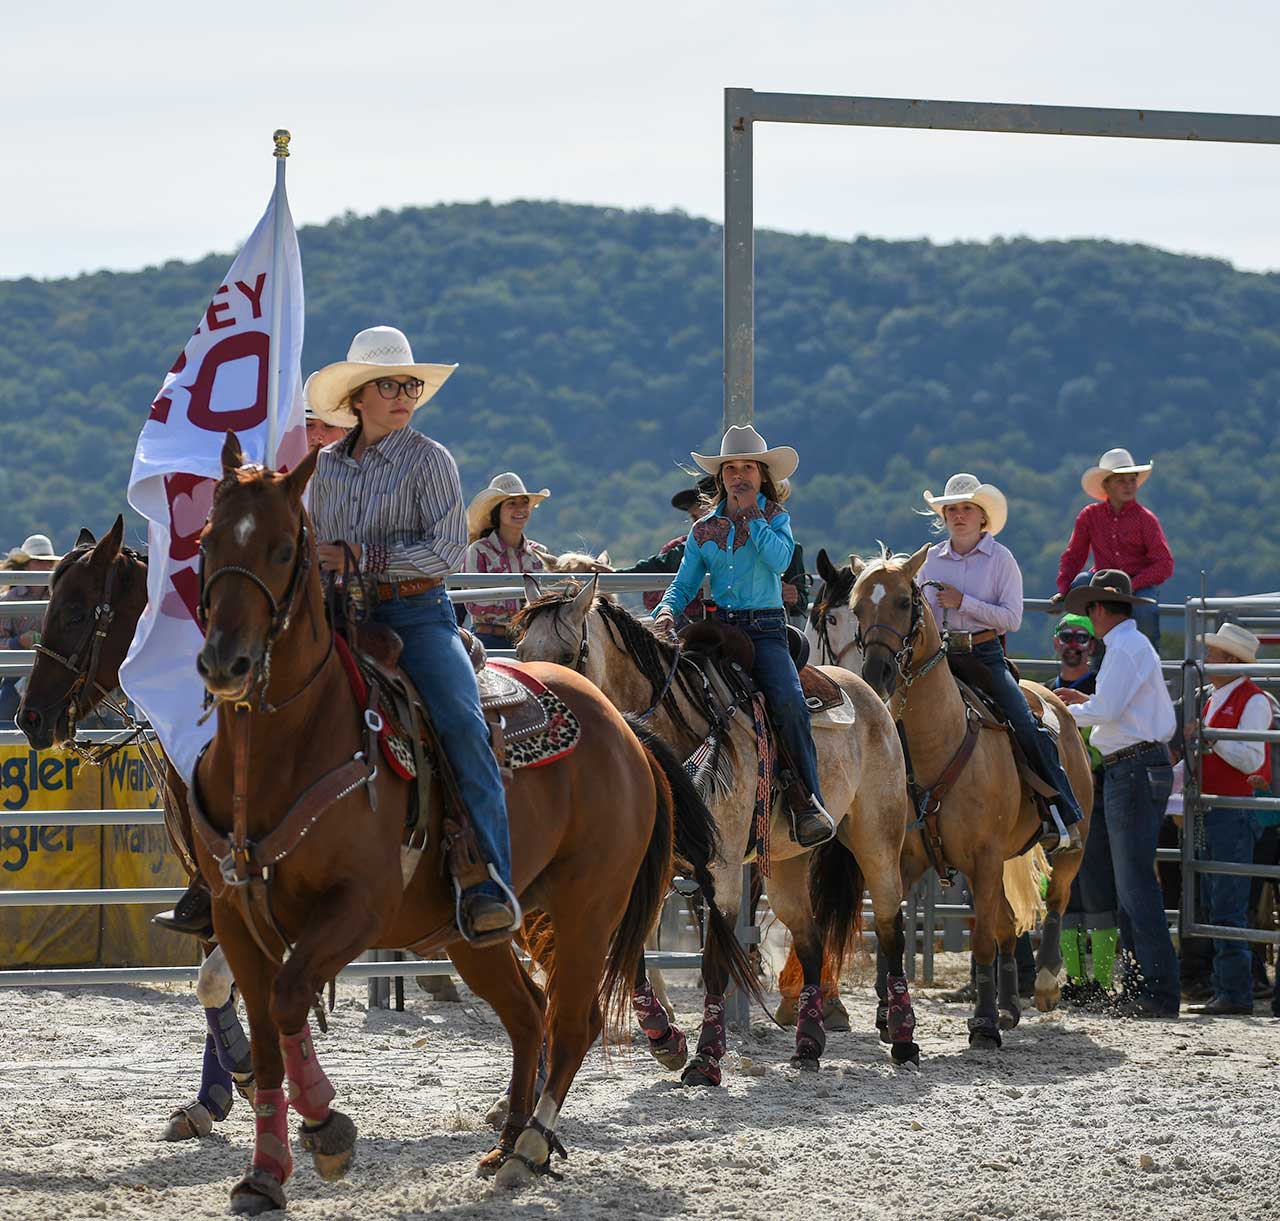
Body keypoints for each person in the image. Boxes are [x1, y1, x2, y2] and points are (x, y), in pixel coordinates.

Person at [307, 325, 518, 941]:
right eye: (390, 386)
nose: (404, 396)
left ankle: (490, 879)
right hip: (340, 615)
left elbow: (447, 551)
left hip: (417, 614)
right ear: (358, 398)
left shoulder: (430, 460)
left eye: (410, 386)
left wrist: (361, 557)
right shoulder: (323, 469)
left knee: (462, 724)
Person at [652, 425, 833, 848]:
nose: (739, 475)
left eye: (747, 467)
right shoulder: (703, 530)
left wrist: (752, 515)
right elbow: (684, 583)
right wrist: (666, 611)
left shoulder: (776, 518)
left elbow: (780, 561)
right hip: (720, 631)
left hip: (767, 631)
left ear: (761, 475)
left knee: (788, 701)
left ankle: (808, 801)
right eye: (731, 468)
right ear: (721, 477)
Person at [919, 473, 1083, 853]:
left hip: (985, 656)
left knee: (1023, 721)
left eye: (967, 509)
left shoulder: (1001, 559)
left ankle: (1060, 810)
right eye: (952, 509)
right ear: (944, 517)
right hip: (940, 659)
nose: (959, 515)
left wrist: (963, 603)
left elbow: (1012, 618)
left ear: (982, 517)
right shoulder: (929, 560)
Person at [1056, 570, 1179, 1018]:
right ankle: (1144, 985)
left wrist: (1066, 708)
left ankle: (1157, 990)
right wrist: (1082, 705)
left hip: (1133, 767)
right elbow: (1110, 709)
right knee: (1132, 883)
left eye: (1090, 610)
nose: (1089, 619)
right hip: (1134, 765)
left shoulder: (1125, 649)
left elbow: (1106, 709)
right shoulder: (1129, 646)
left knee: (1134, 884)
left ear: (1099, 609)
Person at [1185, 623, 1270, 1015]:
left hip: (1232, 810)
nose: (1207, 660)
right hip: (1218, 808)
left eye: (1213, 655)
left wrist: (1210, 736)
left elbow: (1252, 759)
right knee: (1218, 900)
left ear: (1231, 661)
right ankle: (1229, 988)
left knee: (1226, 902)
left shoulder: (1252, 700)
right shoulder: (1225, 697)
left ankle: (1234, 992)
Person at [1051, 613, 1119, 1004]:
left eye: (1082, 637)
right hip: (1057, 805)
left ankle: (1103, 981)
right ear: (1056, 643)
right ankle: (1076, 980)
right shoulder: (1046, 692)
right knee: (1065, 891)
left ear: (1092, 645)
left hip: (1097, 797)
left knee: (1097, 890)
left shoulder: (1101, 689)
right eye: (1067, 636)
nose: (1074, 644)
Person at [1054, 448, 1173, 647]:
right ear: (1106, 485)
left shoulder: (1146, 520)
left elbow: (1164, 564)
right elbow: (1073, 556)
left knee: (1144, 612)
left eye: (1132, 480)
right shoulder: (1089, 516)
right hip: (1102, 580)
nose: (1129, 486)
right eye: (1121, 480)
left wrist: (1131, 585)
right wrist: (1064, 589)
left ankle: (1147, 655)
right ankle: (1093, 650)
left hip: (1138, 584)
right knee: (1080, 585)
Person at [463, 473, 552, 651]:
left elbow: (550, 595)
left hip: (532, 637)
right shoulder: (478, 551)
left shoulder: (540, 552)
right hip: (490, 638)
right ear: (498, 511)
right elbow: (473, 603)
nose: (520, 509)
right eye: (511, 503)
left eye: (524, 503)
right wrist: (525, 609)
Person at [618, 476, 716, 622]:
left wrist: (615, 575)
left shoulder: (690, 544)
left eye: (698, 517)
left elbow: (663, 566)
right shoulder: (684, 544)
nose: (697, 524)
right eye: (695, 519)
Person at [0, 535, 60, 725]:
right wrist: (18, 642)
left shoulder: (59, 597)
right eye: (39, 562)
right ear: (26, 565)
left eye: (49, 562)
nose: (46, 567)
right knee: (6, 706)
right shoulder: (8, 599)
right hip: (17, 673)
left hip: (54, 671)